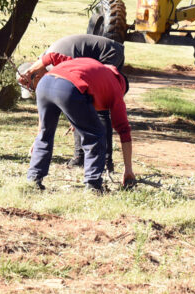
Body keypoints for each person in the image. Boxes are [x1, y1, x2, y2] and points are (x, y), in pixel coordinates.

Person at [20, 53, 135, 192]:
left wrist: (31, 70)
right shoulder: (116, 88)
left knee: (45, 134)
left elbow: (52, 56)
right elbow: (123, 130)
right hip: (68, 88)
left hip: (44, 84)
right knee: (96, 135)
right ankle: (93, 185)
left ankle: (33, 180)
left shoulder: (89, 65)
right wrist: (128, 168)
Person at [21, 34, 125, 169]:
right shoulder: (46, 66)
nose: (37, 89)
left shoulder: (53, 65)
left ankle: (105, 161)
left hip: (109, 53)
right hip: (91, 60)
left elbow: (75, 89)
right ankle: (80, 157)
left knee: (101, 110)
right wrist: (38, 139)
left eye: (33, 86)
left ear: (37, 75)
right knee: (81, 106)